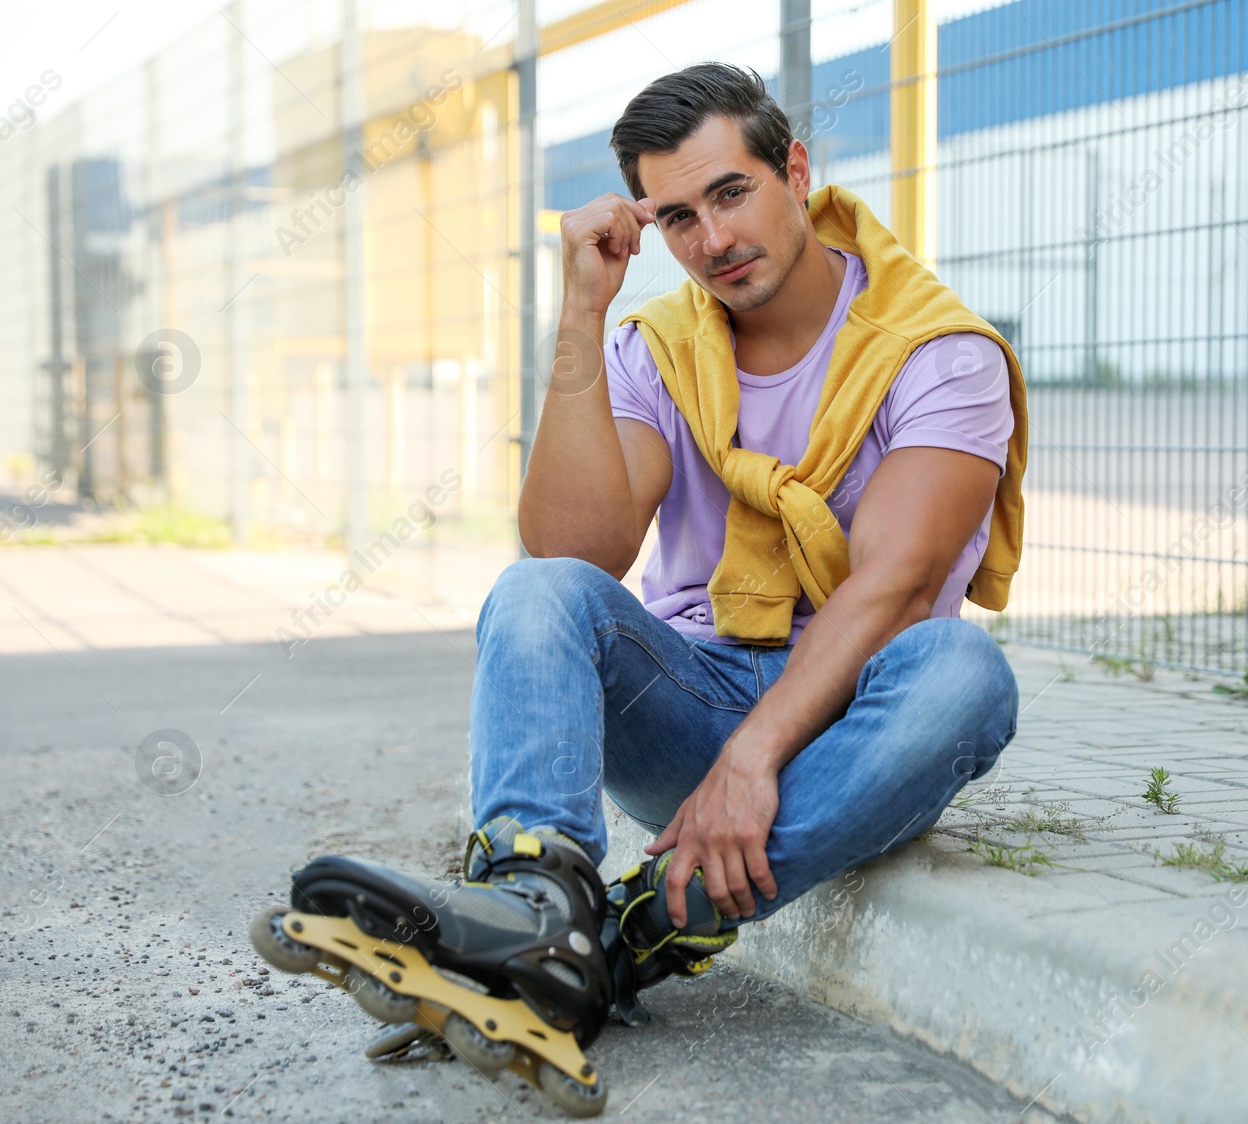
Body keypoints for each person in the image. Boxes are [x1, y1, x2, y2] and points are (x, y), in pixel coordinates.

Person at [255, 61, 1028, 1109]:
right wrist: (583, 311)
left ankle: (607, 946)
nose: (710, 240)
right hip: (689, 699)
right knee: (537, 593)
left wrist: (754, 758)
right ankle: (535, 897)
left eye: (730, 193)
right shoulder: (658, 349)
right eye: (675, 217)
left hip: (856, 717)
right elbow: (579, 546)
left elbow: (896, 581)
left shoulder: (934, 351)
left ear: (793, 170)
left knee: (967, 674)